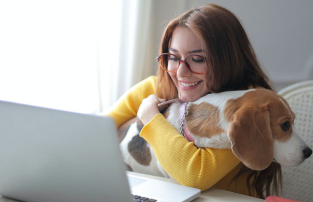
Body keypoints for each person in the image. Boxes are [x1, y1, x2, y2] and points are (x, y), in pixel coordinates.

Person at [103, 4, 281, 199]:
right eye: (173, 57)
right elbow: (92, 131)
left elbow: (195, 175)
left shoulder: (245, 111)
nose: (180, 72)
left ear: (228, 61)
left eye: (197, 59)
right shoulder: (154, 89)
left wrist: (151, 117)